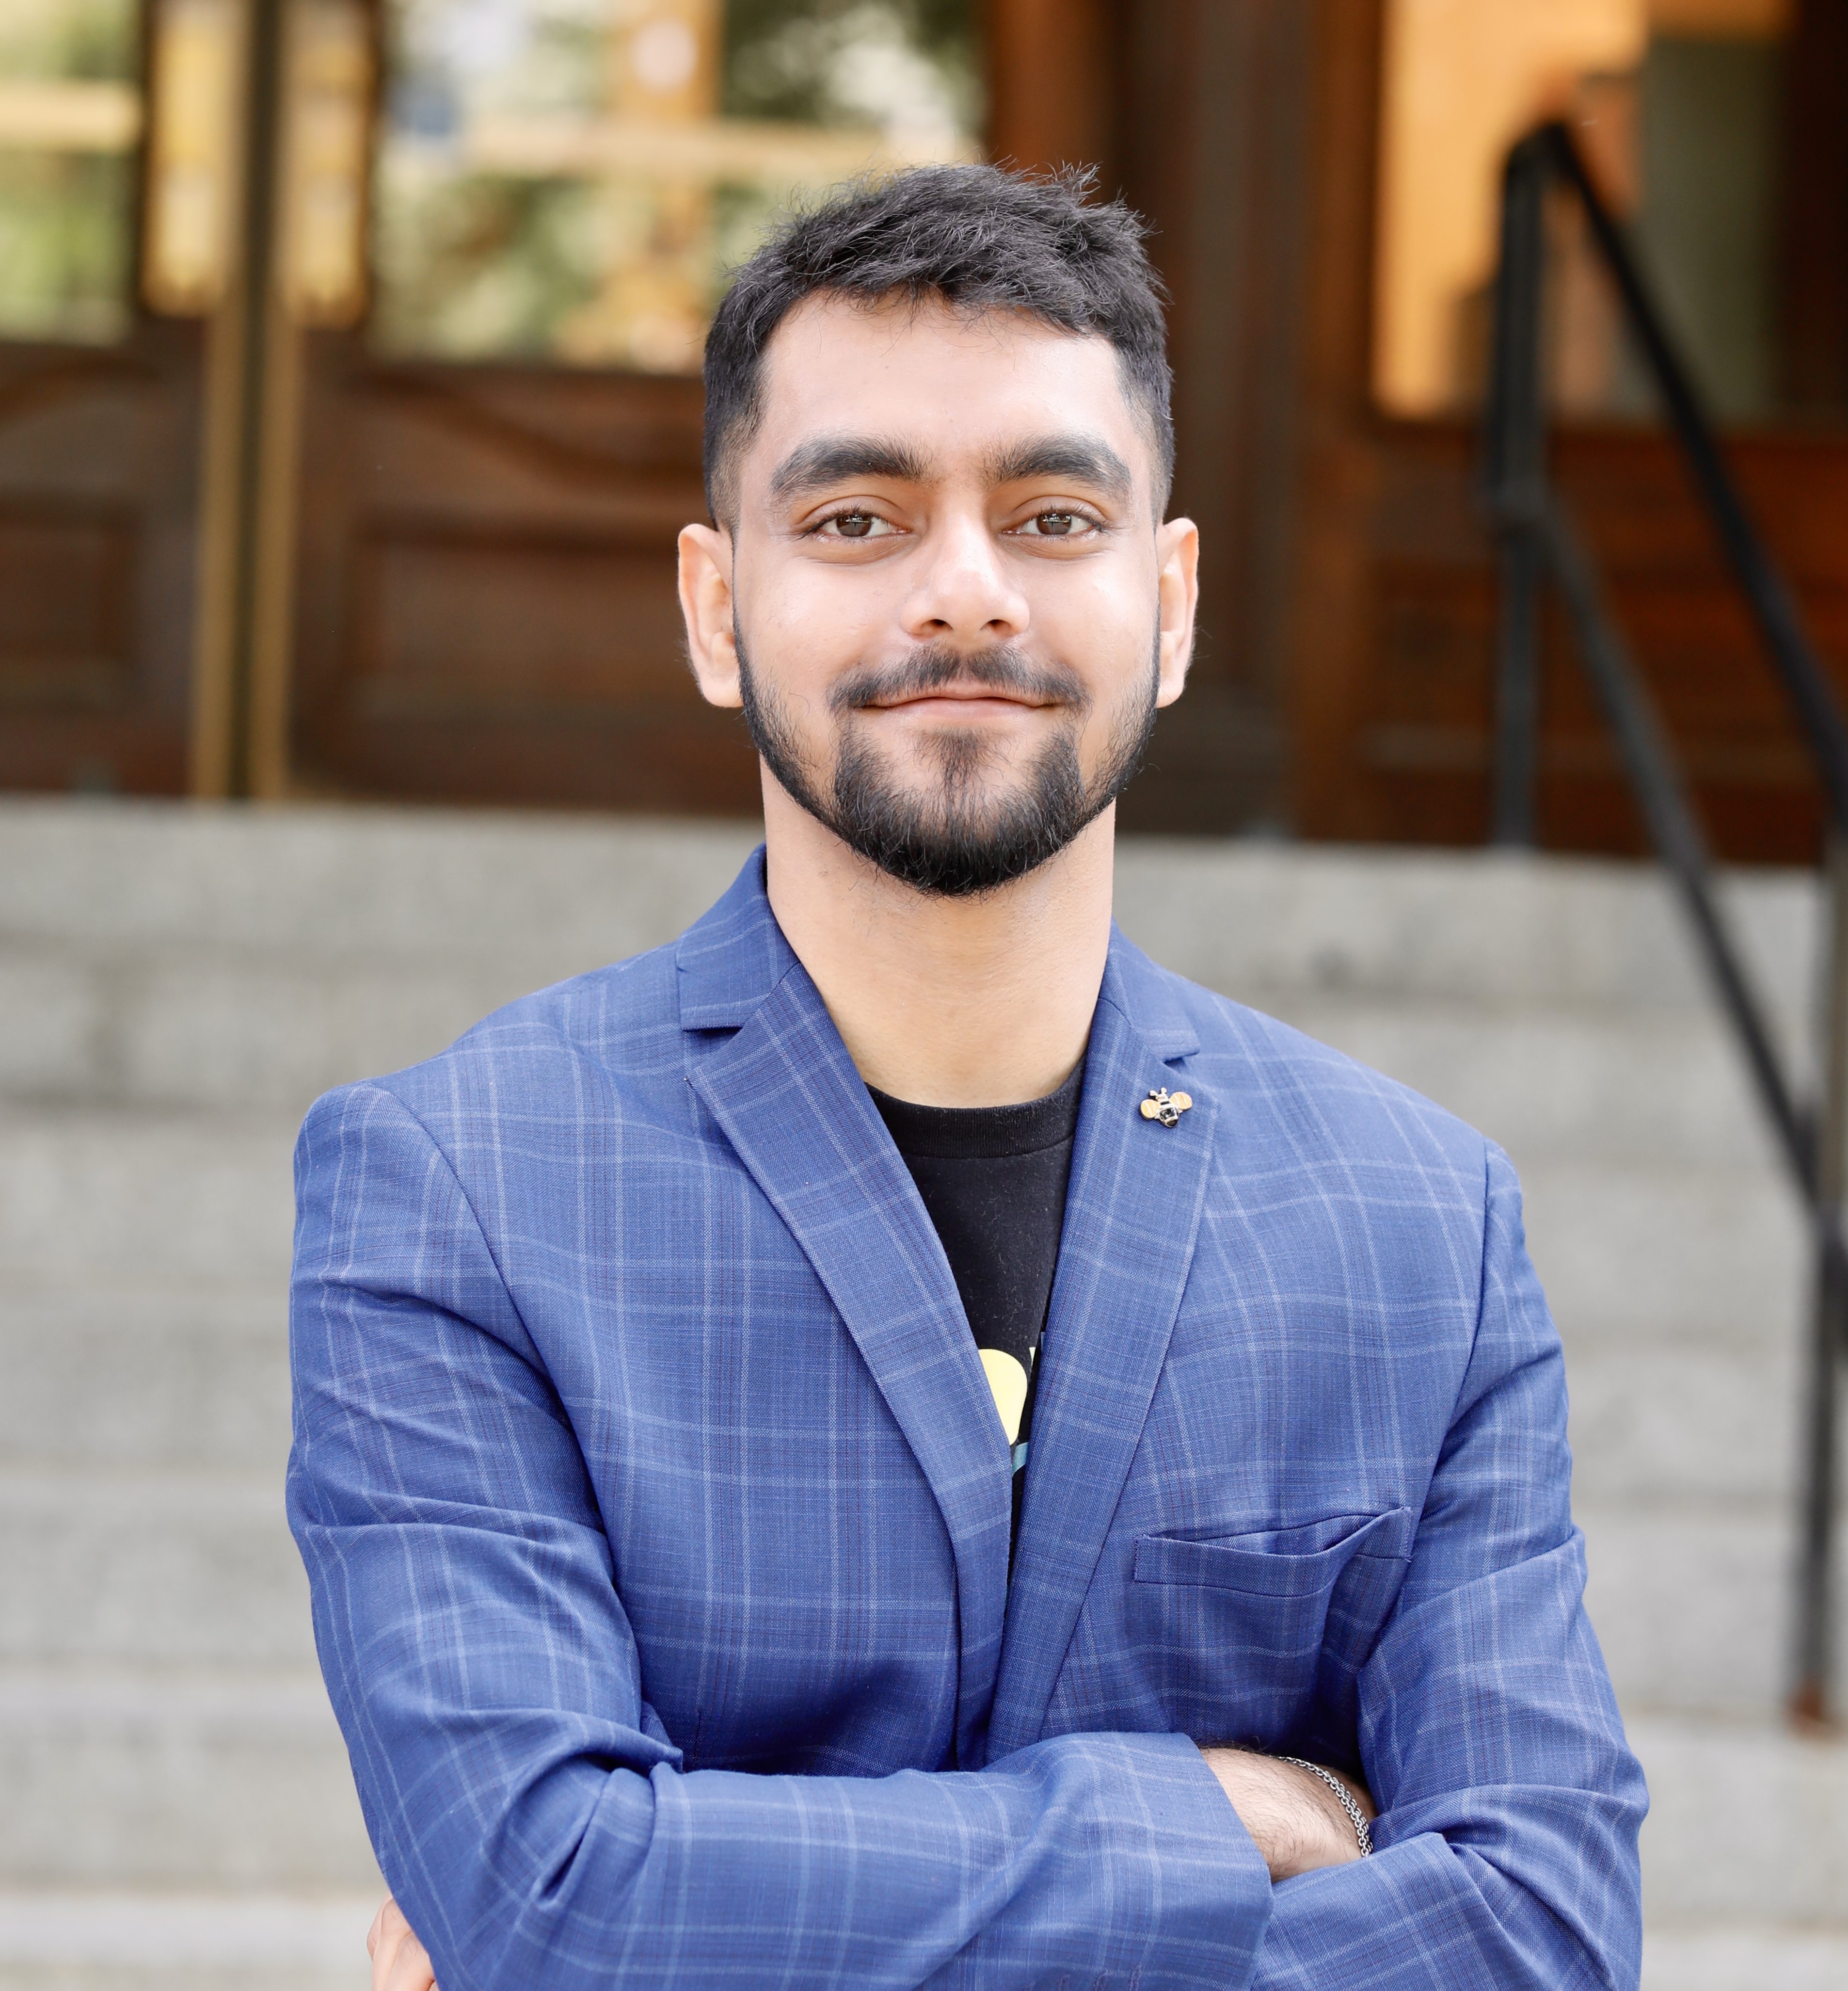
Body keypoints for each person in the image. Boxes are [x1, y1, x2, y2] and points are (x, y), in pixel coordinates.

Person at [290, 164, 1645, 1991]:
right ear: (715, 605)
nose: (962, 592)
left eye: (1052, 512)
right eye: (854, 516)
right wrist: (1216, 1823)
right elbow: (548, 1896)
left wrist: (718, 1901)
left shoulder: (1423, 1225)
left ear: (1169, 602)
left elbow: (1540, 1936)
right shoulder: (459, 1184)